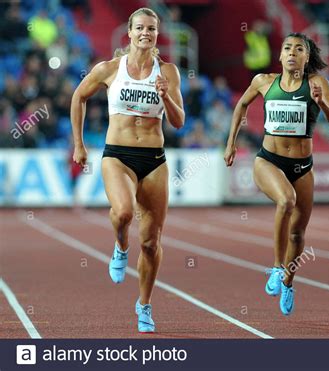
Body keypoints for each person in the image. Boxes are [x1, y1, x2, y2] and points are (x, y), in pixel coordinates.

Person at [70, 7, 184, 333]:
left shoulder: (169, 73)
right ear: (129, 32)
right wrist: (79, 144)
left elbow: (178, 121)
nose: (146, 33)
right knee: (122, 212)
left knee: (151, 242)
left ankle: (144, 306)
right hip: (117, 155)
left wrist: (167, 97)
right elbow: (79, 97)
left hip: (154, 159)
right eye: (140, 28)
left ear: (157, 34)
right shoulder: (109, 69)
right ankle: (120, 246)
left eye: (152, 28)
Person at [224, 33, 329, 315]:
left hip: (303, 167)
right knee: (286, 201)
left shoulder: (317, 83)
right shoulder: (264, 82)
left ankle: (288, 281)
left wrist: (321, 103)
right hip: (268, 161)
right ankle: (277, 267)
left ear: (306, 57)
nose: (291, 52)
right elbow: (241, 105)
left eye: (298, 49)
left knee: (298, 234)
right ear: (279, 56)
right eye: (287, 48)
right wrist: (231, 143)